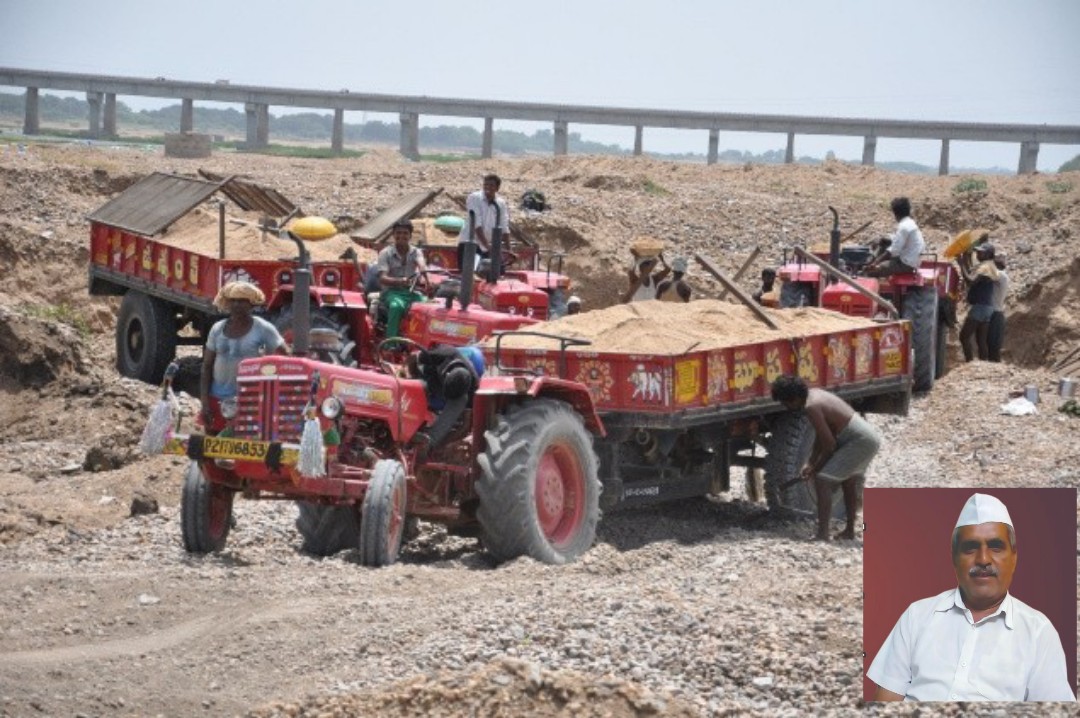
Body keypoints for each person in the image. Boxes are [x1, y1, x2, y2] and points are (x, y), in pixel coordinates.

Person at [867, 493, 1074, 702]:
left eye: (995, 546)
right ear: (954, 557)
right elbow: (886, 700)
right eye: (970, 547)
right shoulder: (917, 616)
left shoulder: (1038, 632)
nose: (983, 559)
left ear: (1014, 556)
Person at [770, 375, 882, 541]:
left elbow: (829, 444)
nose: (786, 407)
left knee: (823, 481)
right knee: (848, 481)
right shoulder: (814, 394)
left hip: (859, 441)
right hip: (867, 437)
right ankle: (849, 532)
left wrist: (816, 469)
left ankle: (822, 534)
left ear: (794, 399)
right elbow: (821, 437)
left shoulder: (811, 407)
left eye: (785, 403)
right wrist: (811, 462)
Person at [200, 281, 287, 433]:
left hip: (248, 401)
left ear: (251, 304)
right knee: (209, 446)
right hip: (217, 398)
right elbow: (207, 366)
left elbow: (285, 355)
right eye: (233, 301)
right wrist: (205, 402)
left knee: (244, 444)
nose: (236, 305)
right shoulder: (218, 329)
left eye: (241, 301)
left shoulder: (262, 328)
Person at [376, 220, 428, 338]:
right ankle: (390, 343)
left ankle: (419, 339)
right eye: (398, 233)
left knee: (428, 306)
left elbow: (421, 264)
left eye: (405, 233)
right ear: (393, 235)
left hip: (410, 292)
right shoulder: (385, 253)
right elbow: (382, 278)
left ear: (410, 235)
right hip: (390, 293)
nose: (401, 236)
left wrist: (425, 277)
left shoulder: (416, 252)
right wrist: (399, 281)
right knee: (396, 306)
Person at [457, 174, 510, 271]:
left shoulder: (500, 203)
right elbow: (477, 224)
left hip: (486, 246)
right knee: (470, 275)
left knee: (495, 272)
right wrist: (489, 247)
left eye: (491, 185)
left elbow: (504, 225)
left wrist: (508, 250)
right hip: (471, 244)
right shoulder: (474, 198)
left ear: (497, 188)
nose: (487, 188)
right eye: (486, 185)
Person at [957, 242, 1000, 362]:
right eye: (977, 252)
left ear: (988, 254)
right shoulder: (990, 265)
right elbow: (971, 272)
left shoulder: (985, 267)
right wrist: (966, 258)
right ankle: (983, 364)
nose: (978, 254)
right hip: (987, 307)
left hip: (980, 307)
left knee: (964, 337)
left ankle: (970, 362)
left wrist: (961, 264)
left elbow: (970, 280)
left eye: (981, 252)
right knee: (981, 340)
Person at [866, 197, 926, 277]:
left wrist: (876, 262)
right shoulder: (910, 223)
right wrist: (882, 240)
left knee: (871, 271)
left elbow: (894, 250)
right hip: (911, 259)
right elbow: (897, 240)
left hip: (906, 264)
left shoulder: (903, 227)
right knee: (884, 244)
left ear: (896, 214)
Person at [987, 253, 1009, 362]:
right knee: (991, 344)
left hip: (995, 314)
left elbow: (978, 276)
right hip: (996, 313)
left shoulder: (1000, 275)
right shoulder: (1000, 275)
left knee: (993, 345)